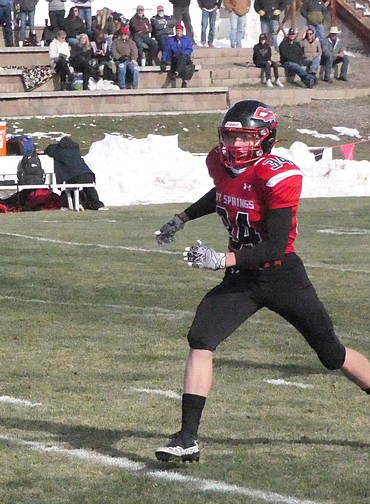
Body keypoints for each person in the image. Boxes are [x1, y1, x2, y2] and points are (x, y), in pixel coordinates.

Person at [152, 100, 370, 463]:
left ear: (266, 139)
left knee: (332, 353)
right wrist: (183, 216)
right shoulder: (219, 163)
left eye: (245, 137)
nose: (235, 145)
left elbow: (275, 246)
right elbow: (224, 191)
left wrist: (222, 259)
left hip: (280, 275)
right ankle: (187, 438)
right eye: (230, 136)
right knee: (202, 338)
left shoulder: (278, 174)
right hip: (241, 277)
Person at [43, 135, 104, 209]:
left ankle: (77, 204)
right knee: (90, 191)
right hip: (87, 173)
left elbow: (49, 150)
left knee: (71, 190)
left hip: (73, 176)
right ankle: (98, 205)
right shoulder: (75, 149)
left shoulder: (59, 152)